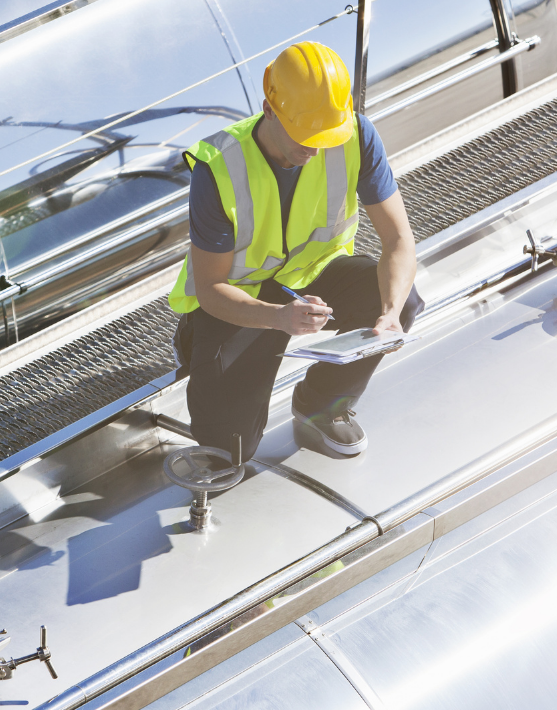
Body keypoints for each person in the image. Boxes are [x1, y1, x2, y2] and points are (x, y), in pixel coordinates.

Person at [168, 41, 423, 461]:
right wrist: (279, 319)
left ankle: (321, 404)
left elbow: (399, 241)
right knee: (228, 446)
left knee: (402, 297)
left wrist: (390, 314)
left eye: (327, 136)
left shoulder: (356, 135)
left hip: (313, 276)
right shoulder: (219, 167)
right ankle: (197, 341)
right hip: (239, 297)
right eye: (305, 135)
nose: (316, 148)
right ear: (269, 109)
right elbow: (211, 287)